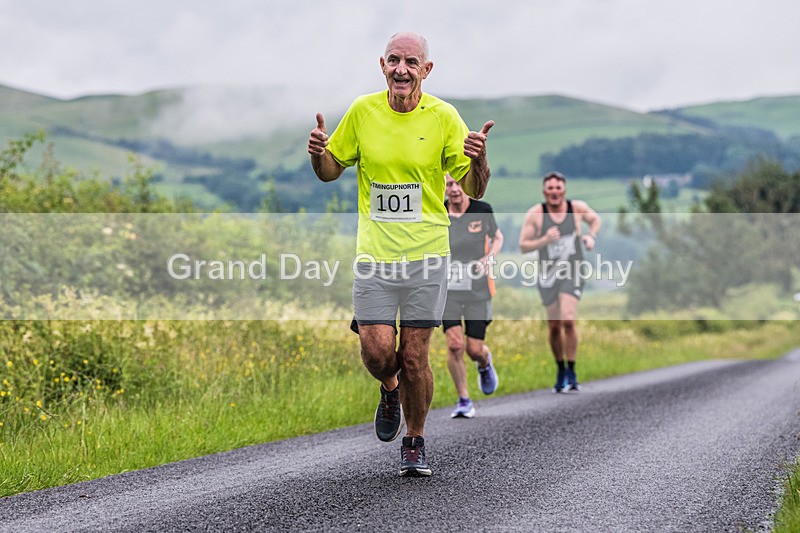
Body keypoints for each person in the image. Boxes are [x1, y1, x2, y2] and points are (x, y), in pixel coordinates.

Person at [307, 32, 494, 477]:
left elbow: (474, 188)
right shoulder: (362, 111)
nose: (402, 69)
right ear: (382, 64)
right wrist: (318, 153)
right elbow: (331, 172)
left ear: (426, 70)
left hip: (427, 255)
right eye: (394, 60)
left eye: (412, 62)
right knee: (376, 352)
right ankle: (388, 388)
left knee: (414, 356)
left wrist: (480, 159)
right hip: (375, 256)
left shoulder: (445, 117)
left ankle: (415, 439)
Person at [518, 171, 601, 393]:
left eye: (558, 188)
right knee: (554, 326)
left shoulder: (576, 208)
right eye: (550, 189)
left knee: (568, 320)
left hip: (572, 270)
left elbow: (595, 219)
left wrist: (590, 236)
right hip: (547, 274)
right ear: (544, 191)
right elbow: (523, 245)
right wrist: (545, 240)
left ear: (564, 190)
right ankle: (560, 368)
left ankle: (572, 369)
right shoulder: (536, 214)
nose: (554, 192)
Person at [442, 174, 502, 418]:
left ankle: (484, 363)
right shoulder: (438, 211)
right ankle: (464, 399)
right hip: (448, 290)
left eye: (458, 184)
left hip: (477, 289)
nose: (454, 189)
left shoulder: (482, 209)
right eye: (449, 185)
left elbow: (497, 237)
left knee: (473, 349)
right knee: (455, 345)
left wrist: (490, 257)